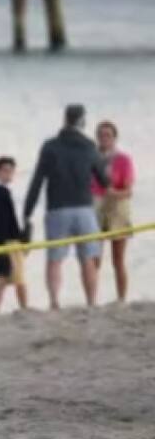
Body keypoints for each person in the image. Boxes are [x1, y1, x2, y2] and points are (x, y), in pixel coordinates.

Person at [22, 104, 110, 310]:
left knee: (55, 259)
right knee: (88, 258)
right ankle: (91, 302)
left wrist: (27, 212)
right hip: (84, 208)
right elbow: (104, 180)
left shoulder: (50, 146)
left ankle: (54, 302)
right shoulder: (89, 146)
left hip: (57, 209)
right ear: (82, 121)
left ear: (65, 119)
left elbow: (37, 180)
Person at [91, 121, 135, 304]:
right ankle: (92, 299)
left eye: (108, 135)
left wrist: (115, 193)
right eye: (101, 135)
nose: (104, 138)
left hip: (117, 206)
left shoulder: (123, 159)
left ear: (114, 138)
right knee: (94, 259)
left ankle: (121, 299)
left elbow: (129, 190)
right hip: (96, 206)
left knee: (118, 259)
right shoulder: (90, 158)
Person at [0, 157, 29, 314]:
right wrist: (4, 241)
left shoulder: (3, 192)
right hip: (7, 241)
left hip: (5, 240)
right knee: (17, 278)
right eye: (5, 170)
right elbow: (0, 220)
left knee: (4, 278)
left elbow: (9, 219)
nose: (8, 174)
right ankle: (23, 308)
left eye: (11, 170)